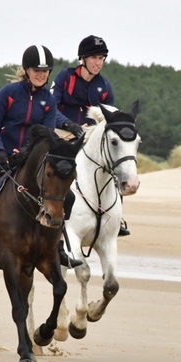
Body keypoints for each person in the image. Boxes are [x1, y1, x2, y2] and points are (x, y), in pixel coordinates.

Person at [0, 44, 82, 268]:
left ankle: (60, 247)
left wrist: (26, 153)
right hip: (1, 154)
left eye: (45, 71)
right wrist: (0, 150)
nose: (41, 75)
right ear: (27, 70)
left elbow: (48, 134)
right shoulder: (9, 93)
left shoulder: (49, 101)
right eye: (37, 70)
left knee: (69, 198)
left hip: (30, 159)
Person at [50, 35, 130, 236]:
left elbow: (108, 119)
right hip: (62, 133)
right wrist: (69, 124)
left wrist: (91, 129)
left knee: (112, 167)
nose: (98, 63)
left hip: (89, 135)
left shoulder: (105, 86)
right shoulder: (64, 78)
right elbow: (50, 108)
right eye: (94, 58)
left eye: (102, 58)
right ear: (83, 59)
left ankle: (116, 218)